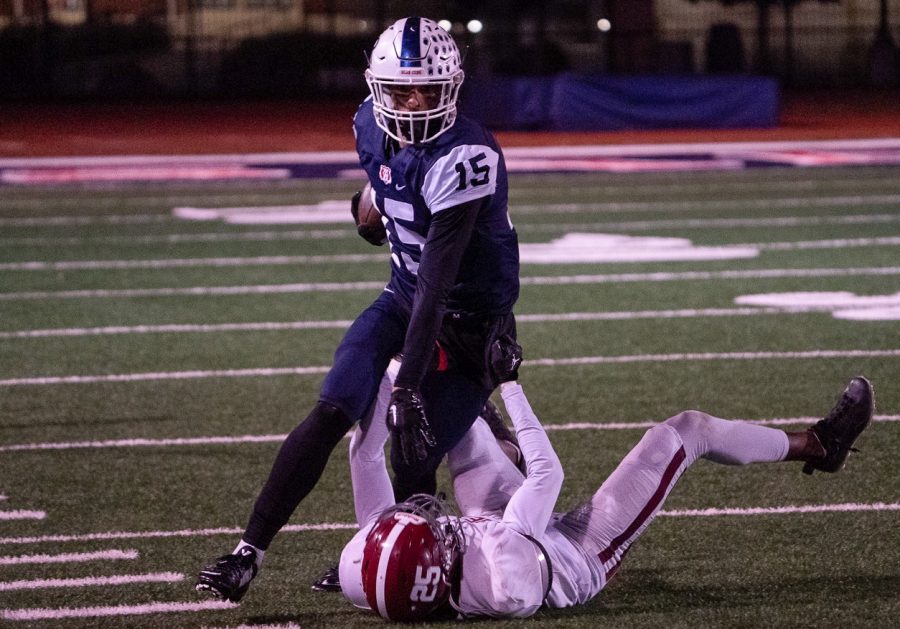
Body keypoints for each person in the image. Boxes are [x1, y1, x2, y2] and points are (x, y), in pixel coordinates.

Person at [196, 16, 520, 603]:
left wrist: (406, 389)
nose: (416, 100)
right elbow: (380, 198)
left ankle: (390, 558)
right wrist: (366, 208)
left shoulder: (467, 156)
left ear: (451, 87)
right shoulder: (370, 126)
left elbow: (439, 286)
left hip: (469, 325)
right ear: (378, 89)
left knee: (411, 446)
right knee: (332, 408)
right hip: (402, 295)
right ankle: (247, 554)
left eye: (429, 87)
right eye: (402, 89)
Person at [338, 375, 875, 620]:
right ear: (437, 557)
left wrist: (395, 374)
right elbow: (547, 473)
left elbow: (361, 456)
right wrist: (509, 386)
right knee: (685, 431)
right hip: (575, 554)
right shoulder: (505, 571)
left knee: (440, 401)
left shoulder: (367, 571)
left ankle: (487, 427)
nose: (431, 516)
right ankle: (819, 445)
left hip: (498, 528)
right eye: (432, 529)